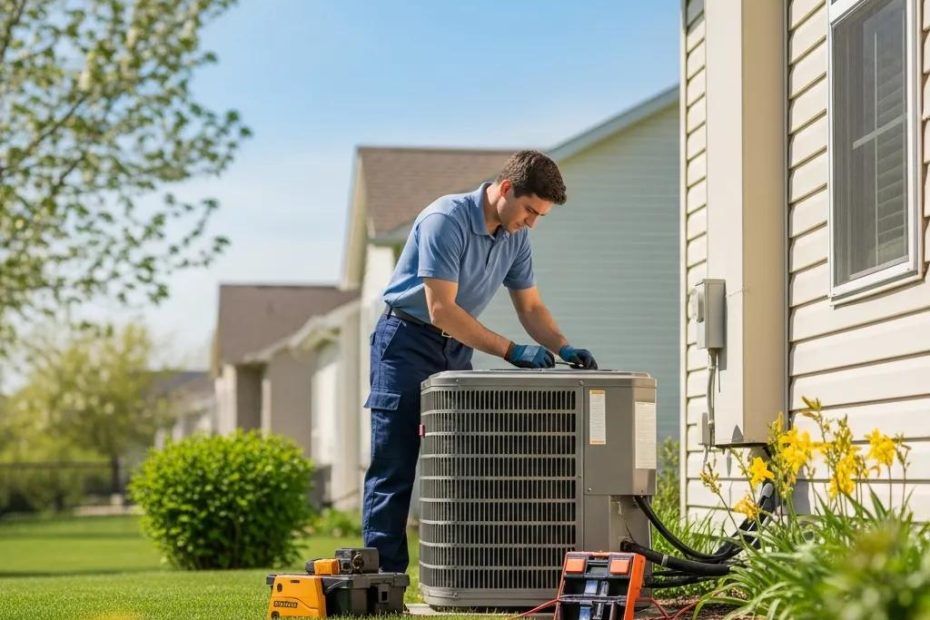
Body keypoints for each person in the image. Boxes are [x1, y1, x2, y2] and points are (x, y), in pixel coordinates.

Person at [362, 150, 598, 572]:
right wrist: (512, 351)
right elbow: (442, 310)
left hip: (455, 350)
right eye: (529, 210)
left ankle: (463, 572)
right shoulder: (445, 220)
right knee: (394, 467)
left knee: (467, 467)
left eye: (539, 215)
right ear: (505, 189)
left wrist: (563, 347)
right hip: (404, 342)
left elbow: (530, 307)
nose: (532, 222)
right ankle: (384, 581)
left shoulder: (516, 236)